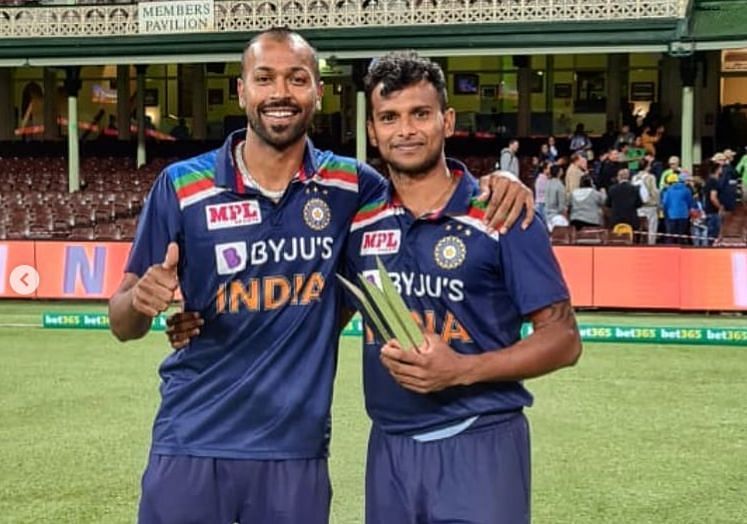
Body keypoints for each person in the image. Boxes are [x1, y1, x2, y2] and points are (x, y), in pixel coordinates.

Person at [109, 29, 535, 524]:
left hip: (296, 452)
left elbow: (426, 193)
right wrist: (140, 300)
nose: (280, 93)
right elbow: (122, 322)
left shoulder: (355, 186)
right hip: (191, 440)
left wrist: (501, 181)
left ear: (317, 92)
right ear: (243, 92)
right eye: (264, 78)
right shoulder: (181, 184)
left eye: (297, 78)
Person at [355, 51, 581, 523]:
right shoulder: (358, 221)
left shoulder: (502, 213)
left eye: (421, 113)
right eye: (389, 117)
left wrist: (460, 370)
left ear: (447, 120)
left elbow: (563, 340)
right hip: (390, 448)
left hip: (482, 441)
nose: (406, 130)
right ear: (373, 130)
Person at [632, 159, 660, 245]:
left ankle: (638, 243)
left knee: (639, 227)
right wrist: (658, 203)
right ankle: (651, 245)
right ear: (647, 167)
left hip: (638, 206)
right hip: (650, 206)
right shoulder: (651, 177)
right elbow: (654, 192)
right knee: (651, 228)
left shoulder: (634, 178)